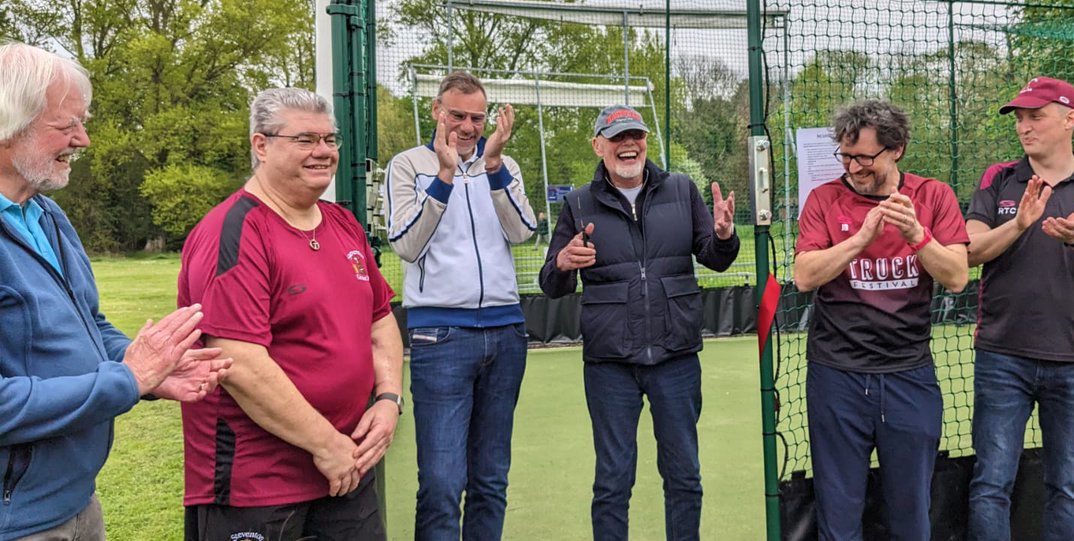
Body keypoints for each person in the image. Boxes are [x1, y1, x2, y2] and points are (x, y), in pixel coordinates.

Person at [0, 42, 230, 541]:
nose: (82, 140)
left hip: (76, 502)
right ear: (7, 127)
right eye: (66, 125)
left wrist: (150, 369)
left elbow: (89, 323)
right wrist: (128, 378)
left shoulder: (46, 215)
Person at [179, 88, 404, 541]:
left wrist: (388, 400)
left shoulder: (342, 224)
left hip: (348, 467)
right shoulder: (234, 231)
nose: (323, 151)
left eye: (330, 139)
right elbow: (240, 362)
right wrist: (327, 444)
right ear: (260, 145)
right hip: (259, 484)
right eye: (305, 139)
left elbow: (380, 321)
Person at [540, 104, 738, 541]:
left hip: (676, 357)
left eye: (636, 135)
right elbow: (551, 284)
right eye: (617, 138)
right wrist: (562, 262)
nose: (628, 144)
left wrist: (724, 235)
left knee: (684, 477)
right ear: (599, 146)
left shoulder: (681, 190)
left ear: (646, 141)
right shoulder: (578, 203)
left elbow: (715, 257)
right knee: (612, 483)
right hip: (610, 365)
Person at [966, 77, 1074, 541]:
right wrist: (1019, 224)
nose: (1024, 126)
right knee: (990, 485)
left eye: (1035, 116)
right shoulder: (999, 178)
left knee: (1068, 487)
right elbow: (969, 251)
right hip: (1001, 357)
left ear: (1069, 120)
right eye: (1019, 118)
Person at [792, 99, 969, 541]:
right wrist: (860, 239)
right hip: (837, 375)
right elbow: (804, 276)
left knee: (911, 512)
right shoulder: (824, 199)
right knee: (838, 512)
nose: (853, 167)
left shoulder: (933, 196)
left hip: (909, 374)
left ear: (897, 150)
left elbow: (956, 277)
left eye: (865, 157)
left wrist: (916, 235)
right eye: (846, 156)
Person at [384, 70, 536, 541]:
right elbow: (406, 244)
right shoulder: (407, 166)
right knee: (442, 483)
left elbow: (523, 232)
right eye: (457, 115)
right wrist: (446, 176)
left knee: (490, 481)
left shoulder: (502, 164)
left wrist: (494, 167)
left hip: (506, 333)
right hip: (440, 337)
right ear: (436, 111)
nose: (468, 127)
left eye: (477, 118)